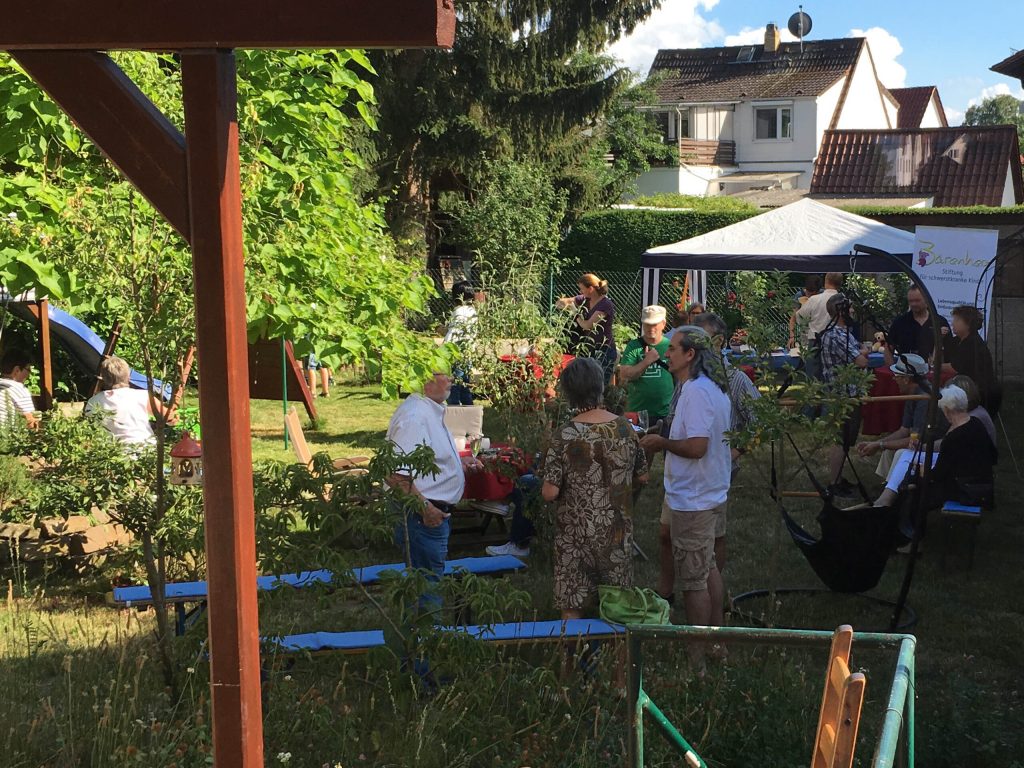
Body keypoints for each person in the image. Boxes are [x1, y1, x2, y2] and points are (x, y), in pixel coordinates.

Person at [639, 327, 730, 669]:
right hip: (708, 492)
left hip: (693, 498)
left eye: (674, 348)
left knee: (693, 581)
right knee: (707, 567)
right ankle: (717, 641)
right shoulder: (712, 389)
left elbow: (696, 447)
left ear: (690, 354)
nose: (668, 353)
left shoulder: (694, 392)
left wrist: (660, 444)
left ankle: (697, 661)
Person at [540, 357, 648, 623]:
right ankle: (618, 662)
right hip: (617, 533)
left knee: (572, 604)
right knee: (618, 606)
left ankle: (572, 661)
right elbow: (643, 476)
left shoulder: (565, 434)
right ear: (601, 387)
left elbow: (550, 492)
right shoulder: (625, 429)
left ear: (568, 392)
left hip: (575, 536)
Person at [386, 371, 483, 617]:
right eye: (443, 374)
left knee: (428, 585)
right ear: (425, 380)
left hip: (429, 515)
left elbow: (423, 463)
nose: (451, 379)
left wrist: (458, 468)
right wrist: (427, 510)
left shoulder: (428, 409)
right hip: (421, 518)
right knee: (425, 590)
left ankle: (424, 645)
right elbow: (396, 475)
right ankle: (421, 649)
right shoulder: (415, 417)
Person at [691, 312, 760, 575]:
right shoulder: (688, 377)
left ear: (718, 342)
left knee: (714, 534)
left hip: (716, 472)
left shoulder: (735, 380)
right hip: (687, 469)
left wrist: (735, 451)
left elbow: (760, 421)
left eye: (699, 340)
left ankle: (712, 588)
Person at [869, 385, 996, 516]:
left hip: (964, 489)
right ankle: (887, 497)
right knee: (908, 455)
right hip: (978, 480)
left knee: (914, 479)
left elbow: (936, 475)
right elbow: (993, 456)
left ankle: (890, 503)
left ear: (947, 410)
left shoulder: (954, 438)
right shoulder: (976, 423)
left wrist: (923, 470)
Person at [855, 353, 947, 479]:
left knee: (898, 452)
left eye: (896, 376)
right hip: (921, 442)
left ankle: (894, 491)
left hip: (934, 446)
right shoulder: (912, 393)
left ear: (906, 379)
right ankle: (889, 486)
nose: (894, 379)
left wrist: (879, 445)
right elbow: (904, 430)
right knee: (888, 450)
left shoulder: (924, 398)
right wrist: (878, 443)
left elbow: (916, 440)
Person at [818, 293, 871, 496]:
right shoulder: (835, 335)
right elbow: (861, 360)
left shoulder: (844, 332)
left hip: (850, 393)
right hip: (841, 395)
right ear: (840, 311)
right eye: (849, 308)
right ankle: (834, 483)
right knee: (840, 440)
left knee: (847, 439)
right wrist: (863, 352)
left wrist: (861, 351)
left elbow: (859, 351)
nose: (852, 312)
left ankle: (839, 478)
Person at [86, 356, 170, 448]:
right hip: (144, 451)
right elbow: (170, 418)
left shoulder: (93, 401)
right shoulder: (143, 396)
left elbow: (89, 429)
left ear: (103, 378)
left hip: (111, 454)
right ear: (129, 376)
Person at [556, 273, 616, 385]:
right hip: (589, 348)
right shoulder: (585, 299)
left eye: (582, 289)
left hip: (604, 349)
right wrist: (565, 303)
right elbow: (560, 303)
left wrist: (576, 313)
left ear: (590, 289)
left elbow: (588, 325)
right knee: (587, 384)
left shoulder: (606, 304)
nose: (580, 292)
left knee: (600, 384)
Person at [618, 305, 674, 423]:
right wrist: (646, 362)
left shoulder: (671, 346)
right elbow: (624, 374)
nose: (650, 328)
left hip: (666, 413)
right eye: (647, 324)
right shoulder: (634, 346)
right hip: (637, 413)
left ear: (663, 324)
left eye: (654, 324)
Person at [942, 305, 996, 415]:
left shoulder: (972, 343)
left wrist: (936, 365)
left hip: (976, 392)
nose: (953, 323)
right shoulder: (959, 340)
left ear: (968, 324)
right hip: (965, 386)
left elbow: (954, 368)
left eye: (957, 320)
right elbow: (943, 353)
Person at [791, 272, 843, 381]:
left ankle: (813, 395)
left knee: (813, 374)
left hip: (815, 340)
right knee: (836, 371)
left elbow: (800, 318)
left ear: (825, 281)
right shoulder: (843, 299)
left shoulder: (814, 300)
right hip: (838, 339)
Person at [884, 285, 949, 364]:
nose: (914, 304)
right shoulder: (900, 322)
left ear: (926, 300)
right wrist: (892, 370)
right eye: (911, 301)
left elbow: (950, 351)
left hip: (932, 372)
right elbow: (888, 348)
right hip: (906, 371)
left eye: (917, 300)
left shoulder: (939, 322)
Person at [443, 281, 482, 406]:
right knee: (465, 386)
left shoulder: (459, 311)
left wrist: (443, 349)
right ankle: (469, 411)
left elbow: (453, 334)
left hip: (456, 353)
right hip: (467, 353)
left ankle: (453, 412)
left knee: (453, 386)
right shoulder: (472, 311)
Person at [0, 348, 39, 429]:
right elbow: (31, 423)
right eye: (28, 369)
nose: (29, 374)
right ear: (17, 370)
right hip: (6, 438)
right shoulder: (19, 389)